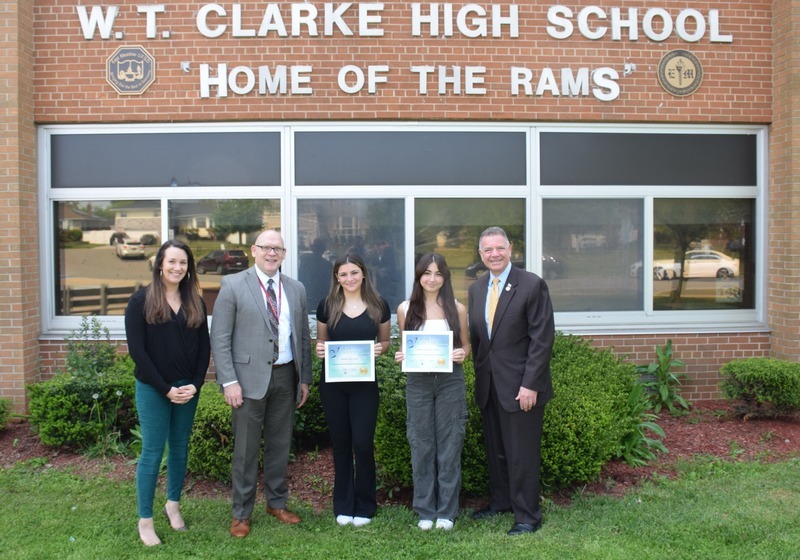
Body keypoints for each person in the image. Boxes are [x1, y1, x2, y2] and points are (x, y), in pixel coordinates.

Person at [210, 230, 312, 538]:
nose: (272, 253)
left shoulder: (295, 289)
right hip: (246, 380)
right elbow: (220, 337)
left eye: (277, 249)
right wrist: (229, 381)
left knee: (280, 445)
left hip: (285, 376)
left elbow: (303, 338)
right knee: (245, 450)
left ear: (284, 254)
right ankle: (241, 513)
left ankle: (276, 502)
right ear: (254, 250)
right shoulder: (233, 285)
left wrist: (304, 377)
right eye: (266, 248)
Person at [467, 226, 555, 537]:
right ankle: (501, 501)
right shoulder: (476, 289)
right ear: (481, 255)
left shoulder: (531, 285)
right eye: (488, 250)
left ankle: (528, 515)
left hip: (521, 389)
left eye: (499, 248)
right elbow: (480, 342)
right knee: (497, 451)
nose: (494, 254)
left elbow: (541, 341)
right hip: (489, 387)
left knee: (521, 455)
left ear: (510, 249)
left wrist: (531, 384)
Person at [125, 239, 210, 547]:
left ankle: (172, 504)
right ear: (159, 263)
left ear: (188, 268)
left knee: (179, 448)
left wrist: (196, 383)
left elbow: (204, 348)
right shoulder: (140, 301)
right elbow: (138, 352)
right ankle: (145, 520)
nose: (177, 267)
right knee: (151, 452)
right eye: (172, 261)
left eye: (183, 262)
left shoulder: (195, 301)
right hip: (153, 388)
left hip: (188, 389)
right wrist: (165, 389)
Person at [394, 253, 470, 531]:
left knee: (450, 444)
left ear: (445, 277)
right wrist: (402, 355)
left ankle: (447, 512)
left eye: (438, 273)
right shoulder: (405, 308)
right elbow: (405, 345)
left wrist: (462, 353)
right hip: (418, 381)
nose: (432, 279)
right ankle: (425, 510)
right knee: (421, 443)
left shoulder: (457, 308)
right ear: (419, 276)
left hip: (451, 380)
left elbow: (466, 345)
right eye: (427, 273)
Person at [315, 253, 391, 527]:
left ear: (363, 274)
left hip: (364, 385)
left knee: (362, 443)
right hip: (333, 384)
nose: (349, 278)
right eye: (344, 274)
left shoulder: (378, 305)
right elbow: (320, 343)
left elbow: (385, 343)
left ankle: (365, 504)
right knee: (341, 444)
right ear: (337, 277)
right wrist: (319, 349)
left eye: (354, 273)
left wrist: (377, 349)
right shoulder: (327, 305)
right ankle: (343, 504)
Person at [299, 237, 333, 312]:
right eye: (317, 247)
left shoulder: (304, 260)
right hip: (310, 297)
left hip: (315, 297)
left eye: (319, 247)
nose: (318, 250)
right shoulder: (304, 261)